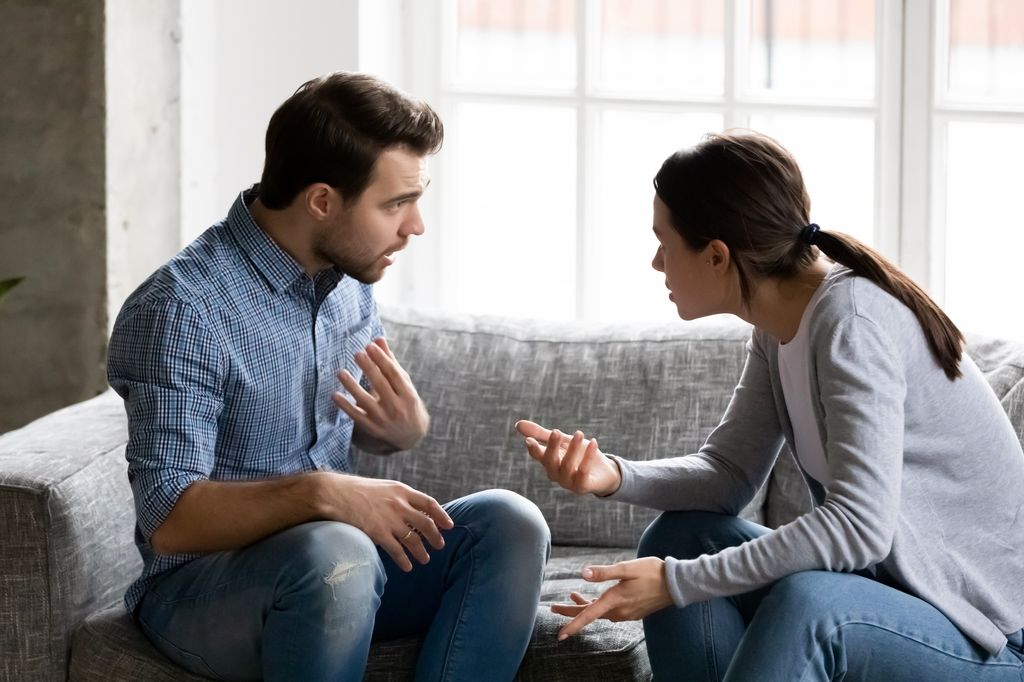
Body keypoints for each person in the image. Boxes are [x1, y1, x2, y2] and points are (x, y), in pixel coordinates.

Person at [515, 131, 1024, 680]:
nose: (656, 261)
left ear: (716, 255)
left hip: (986, 637)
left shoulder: (852, 323)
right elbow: (727, 475)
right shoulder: (777, 326)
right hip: (896, 602)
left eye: (665, 240)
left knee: (811, 605)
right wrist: (613, 475)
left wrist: (675, 583)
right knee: (680, 537)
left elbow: (858, 527)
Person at [108, 72, 549, 682]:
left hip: (342, 572)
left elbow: (331, 427)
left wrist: (399, 430)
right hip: (203, 591)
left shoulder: (348, 281)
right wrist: (323, 493)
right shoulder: (182, 309)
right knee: (334, 549)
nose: (415, 225)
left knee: (509, 522)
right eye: (396, 203)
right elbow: (170, 522)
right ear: (322, 201)